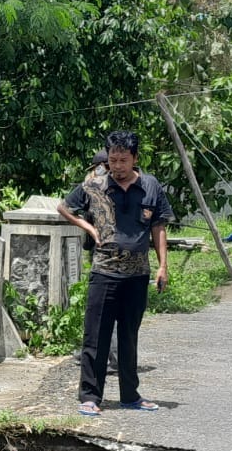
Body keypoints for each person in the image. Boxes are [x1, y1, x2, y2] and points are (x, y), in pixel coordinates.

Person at [57, 130, 173, 416]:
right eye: (112, 160)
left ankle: (130, 395)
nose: (117, 166)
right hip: (104, 272)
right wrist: (88, 227)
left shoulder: (151, 186)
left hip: (137, 274)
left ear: (135, 158)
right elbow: (63, 207)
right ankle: (90, 397)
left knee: (129, 336)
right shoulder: (94, 185)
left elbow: (158, 227)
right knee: (95, 336)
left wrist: (162, 266)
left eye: (123, 160)